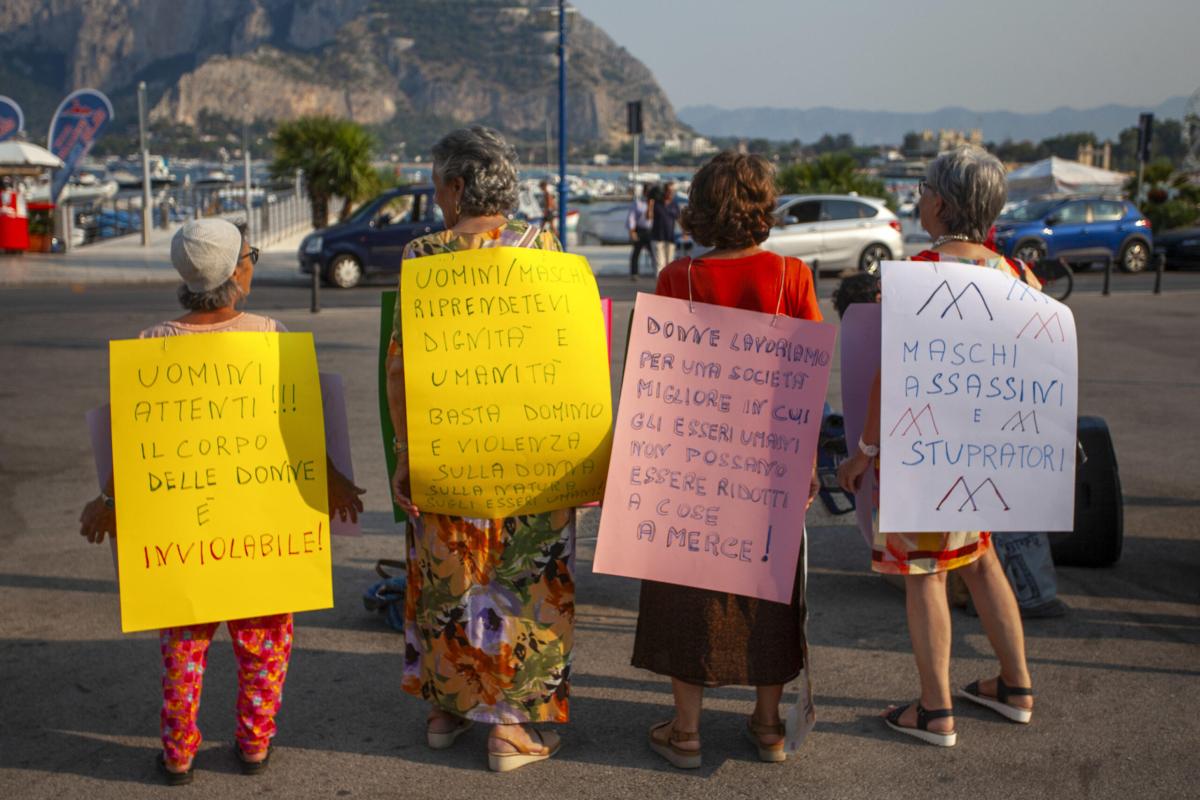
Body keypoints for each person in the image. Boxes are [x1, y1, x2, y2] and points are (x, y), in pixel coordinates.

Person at [77, 218, 365, 785]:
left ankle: (179, 752)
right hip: (261, 534)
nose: (252, 261)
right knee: (264, 645)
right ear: (237, 271)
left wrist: (108, 499)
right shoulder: (271, 333)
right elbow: (298, 431)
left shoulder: (153, 342)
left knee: (184, 649)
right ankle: (254, 743)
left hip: (183, 540)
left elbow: (137, 449)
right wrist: (332, 481)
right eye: (250, 254)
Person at [837, 145, 1038, 748]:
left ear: (942, 204)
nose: (918, 197)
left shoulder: (919, 276)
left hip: (925, 456)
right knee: (980, 560)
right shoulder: (1017, 276)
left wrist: (863, 454)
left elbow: (892, 379)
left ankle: (935, 709)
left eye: (923, 188)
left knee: (925, 575)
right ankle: (1016, 687)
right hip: (988, 454)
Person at [386, 127, 573, 773]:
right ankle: (512, 727)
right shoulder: (544, 248)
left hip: (448, 450)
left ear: (459, 186)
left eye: (438, 185)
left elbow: (401, 369)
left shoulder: (423, 254)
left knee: (450, 577)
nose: (436, 197)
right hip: (531, 453)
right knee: (526, 580)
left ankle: (448, 712)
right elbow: (568, 356)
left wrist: (407, 454)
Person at [632, 152, 823, 769]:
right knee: (770, 588)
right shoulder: (793, 276)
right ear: (764, 205)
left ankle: (686, 732)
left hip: (693, 457)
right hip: (770, 458)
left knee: (686, 588)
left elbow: (655, 382)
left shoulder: (678, 279)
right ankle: (768, 726)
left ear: (701, 207)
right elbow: (808, 383)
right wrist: (810, 459)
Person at [648, 180, 680, 274]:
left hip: (670, 238)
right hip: (657, 237)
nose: (671, 193)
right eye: (669, 191)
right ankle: (660, 287)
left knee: (670, 265)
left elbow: (679, 218)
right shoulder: (657, 203)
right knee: (660, 265)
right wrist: (650, 205)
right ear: (665, 191)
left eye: (673, 191)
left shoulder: (674, 205)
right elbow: (649, 217)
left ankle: (668, 288)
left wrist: (685, 232)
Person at [627, 183, 652, 280]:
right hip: (640, 230)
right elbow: (631, 218)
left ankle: (657, 271)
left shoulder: (655, 203)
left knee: (653, 252)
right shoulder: (638, 203)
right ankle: (634, 273)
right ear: (644, 192)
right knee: (636, 252)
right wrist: (632, 231)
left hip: (651, 230)